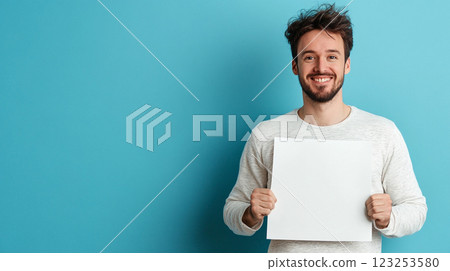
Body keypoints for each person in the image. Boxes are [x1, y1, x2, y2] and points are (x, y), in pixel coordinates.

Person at [223, 4, 427, 253]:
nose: (321, 67)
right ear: (295, 66)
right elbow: (233, 209)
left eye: (332, 56)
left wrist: (389, 218)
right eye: (309, 57)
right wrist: (250, 213)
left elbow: (415, 208)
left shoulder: (383, 132)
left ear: (346, 64)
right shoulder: (266, 134)